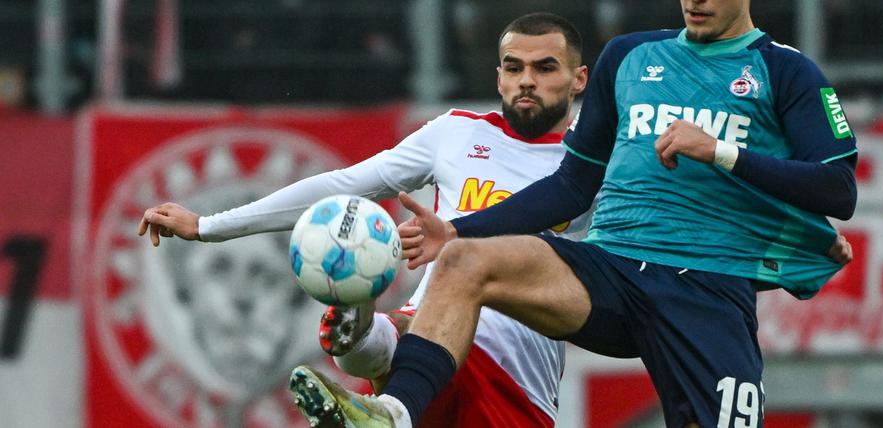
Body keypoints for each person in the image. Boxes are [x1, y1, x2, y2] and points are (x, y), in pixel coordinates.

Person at [309, 0, 859, 427]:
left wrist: (720, 150)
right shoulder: (630, 56)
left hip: (706, 296)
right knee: (461, 262)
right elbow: (572, 185)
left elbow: (837, 187)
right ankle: (395, 414)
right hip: (612, 270)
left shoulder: (786, 72)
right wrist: (456, 228)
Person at [137, 12, 592, 428]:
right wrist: (208, 226)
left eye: (545, 68)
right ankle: (362, 327)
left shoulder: (599, 164)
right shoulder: (457, 134)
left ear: (579, 79)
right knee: (404, 328)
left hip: (518, 378)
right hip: (432, 342)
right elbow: (343, 185)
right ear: (498, 77)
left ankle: (366, 351)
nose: (526, 80)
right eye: (514, 68)